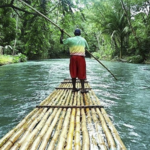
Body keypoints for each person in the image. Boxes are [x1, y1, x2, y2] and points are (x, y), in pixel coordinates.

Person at [60, 28, 89, 93]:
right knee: (82, 72)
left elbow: (61, 41)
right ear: (80, 34)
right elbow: (87, 47)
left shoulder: (70, 39)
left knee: (73, 72)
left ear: (74, 33)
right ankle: (83, 89)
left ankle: (74, 88)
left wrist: (62, 33)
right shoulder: (83, 39)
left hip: (73, 58)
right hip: (81, 58)